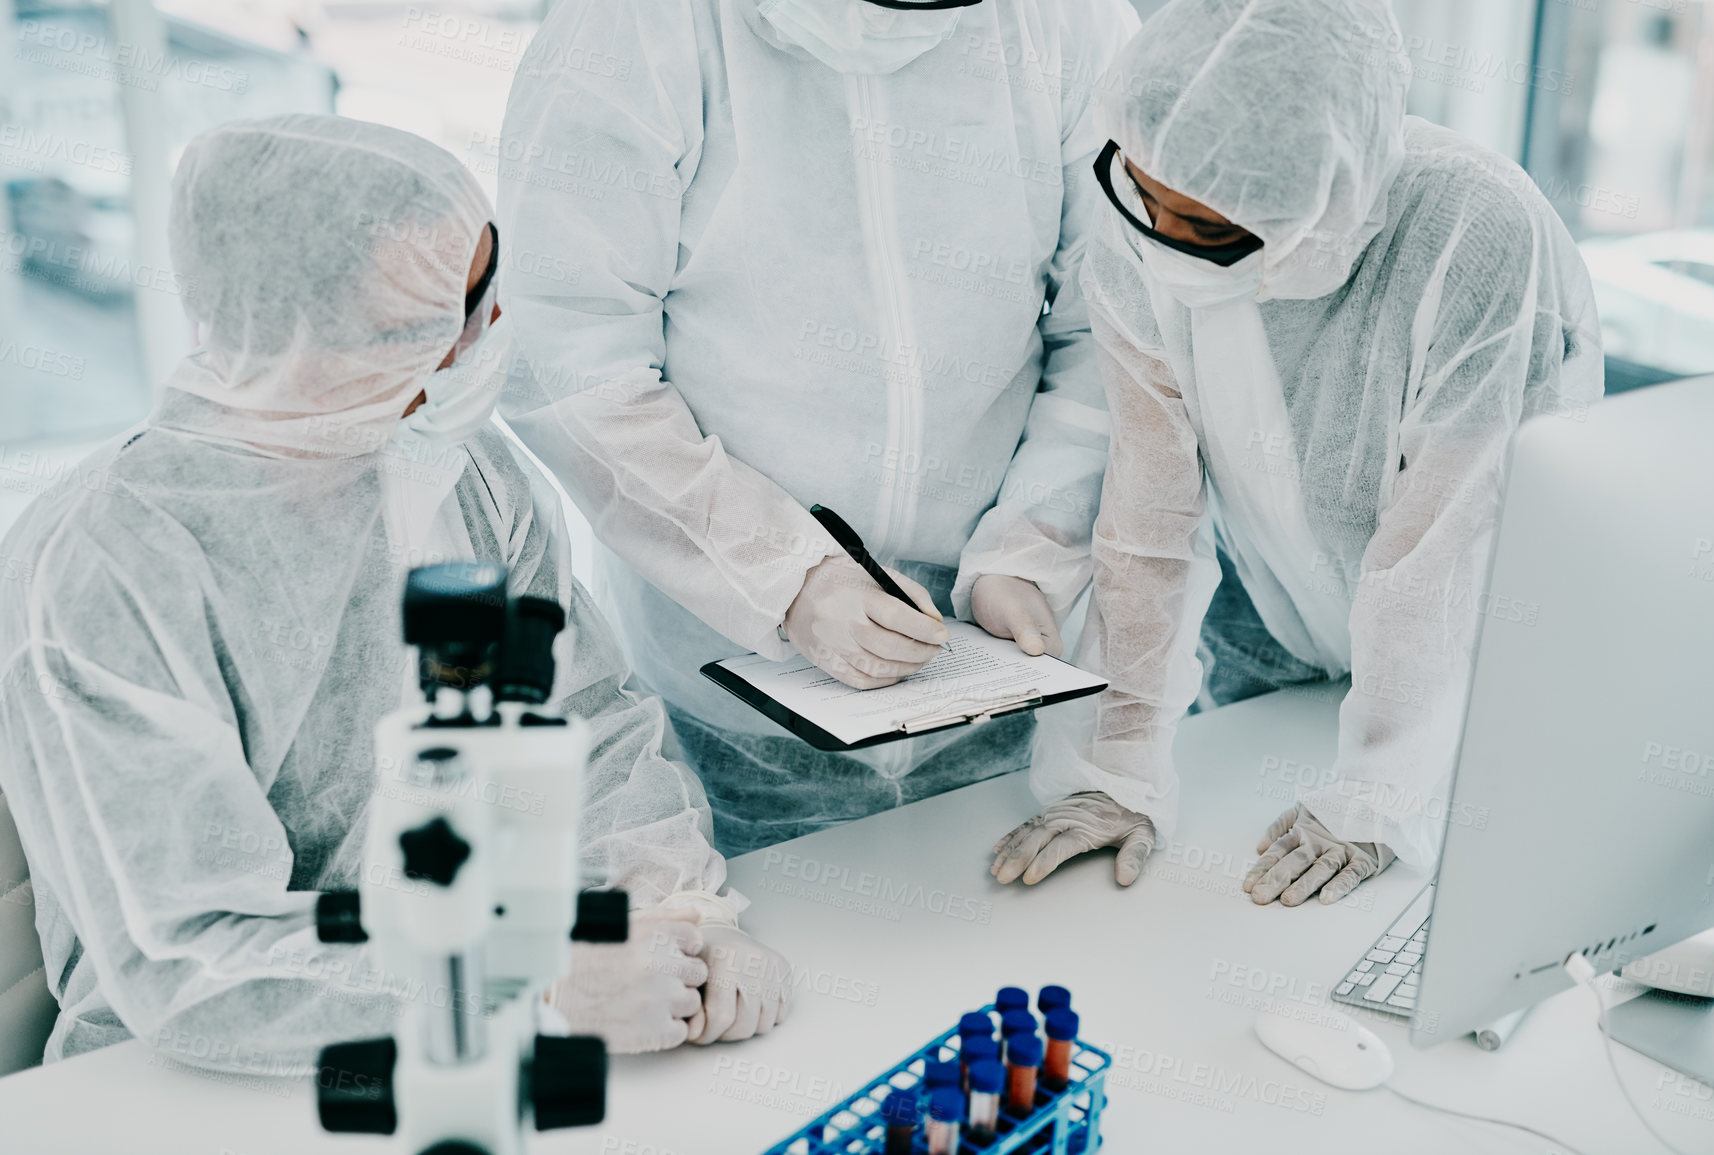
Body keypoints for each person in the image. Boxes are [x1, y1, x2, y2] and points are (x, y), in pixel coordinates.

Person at [0, 115, 789, 1072]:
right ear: (288, 337)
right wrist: (523, 985)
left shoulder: (459, 472)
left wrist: (674, 909)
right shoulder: (106, 567)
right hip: (192, 1084)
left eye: (483, 291)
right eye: (425, 323)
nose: (482, 340)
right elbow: (189, 960)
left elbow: (583, 723)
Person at [491, 0, 1139, 856]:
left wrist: (1033, 542)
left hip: (1003, 666)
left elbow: (1114, 325)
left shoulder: (1067, 23)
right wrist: (782, 577)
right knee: (791, 959)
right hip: (736, 681)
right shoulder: (636, 31)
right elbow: (566, 354)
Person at [991, 0, 1602, 900]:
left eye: (1201, 230)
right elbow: (1149, 519)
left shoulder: (1467, 236)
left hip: (1484, 656)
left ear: (1317, 212)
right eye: (1141, 193)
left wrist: (1378, 795)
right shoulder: (1140, 220)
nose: (1159, 243)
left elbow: (1442, 552)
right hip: (1278, 629)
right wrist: (1114, 771)